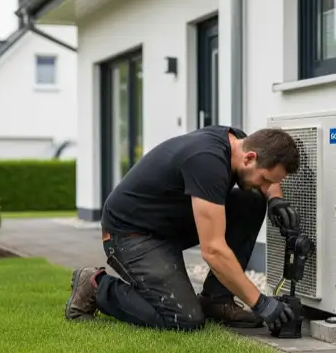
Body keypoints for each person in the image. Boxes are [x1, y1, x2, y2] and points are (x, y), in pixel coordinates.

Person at [64, 125, 302, 332]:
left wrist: (275, 199)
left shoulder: (239, 142)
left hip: (168, 226)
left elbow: (266, 175)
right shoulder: (208, 163)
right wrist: (260, 302)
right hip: (131, 234)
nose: (266, 185)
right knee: (184, 319)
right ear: (249, 158)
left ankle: (217, 301)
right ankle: (96, 286)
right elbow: (213, 250)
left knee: (252, 200)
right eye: (265, 180)